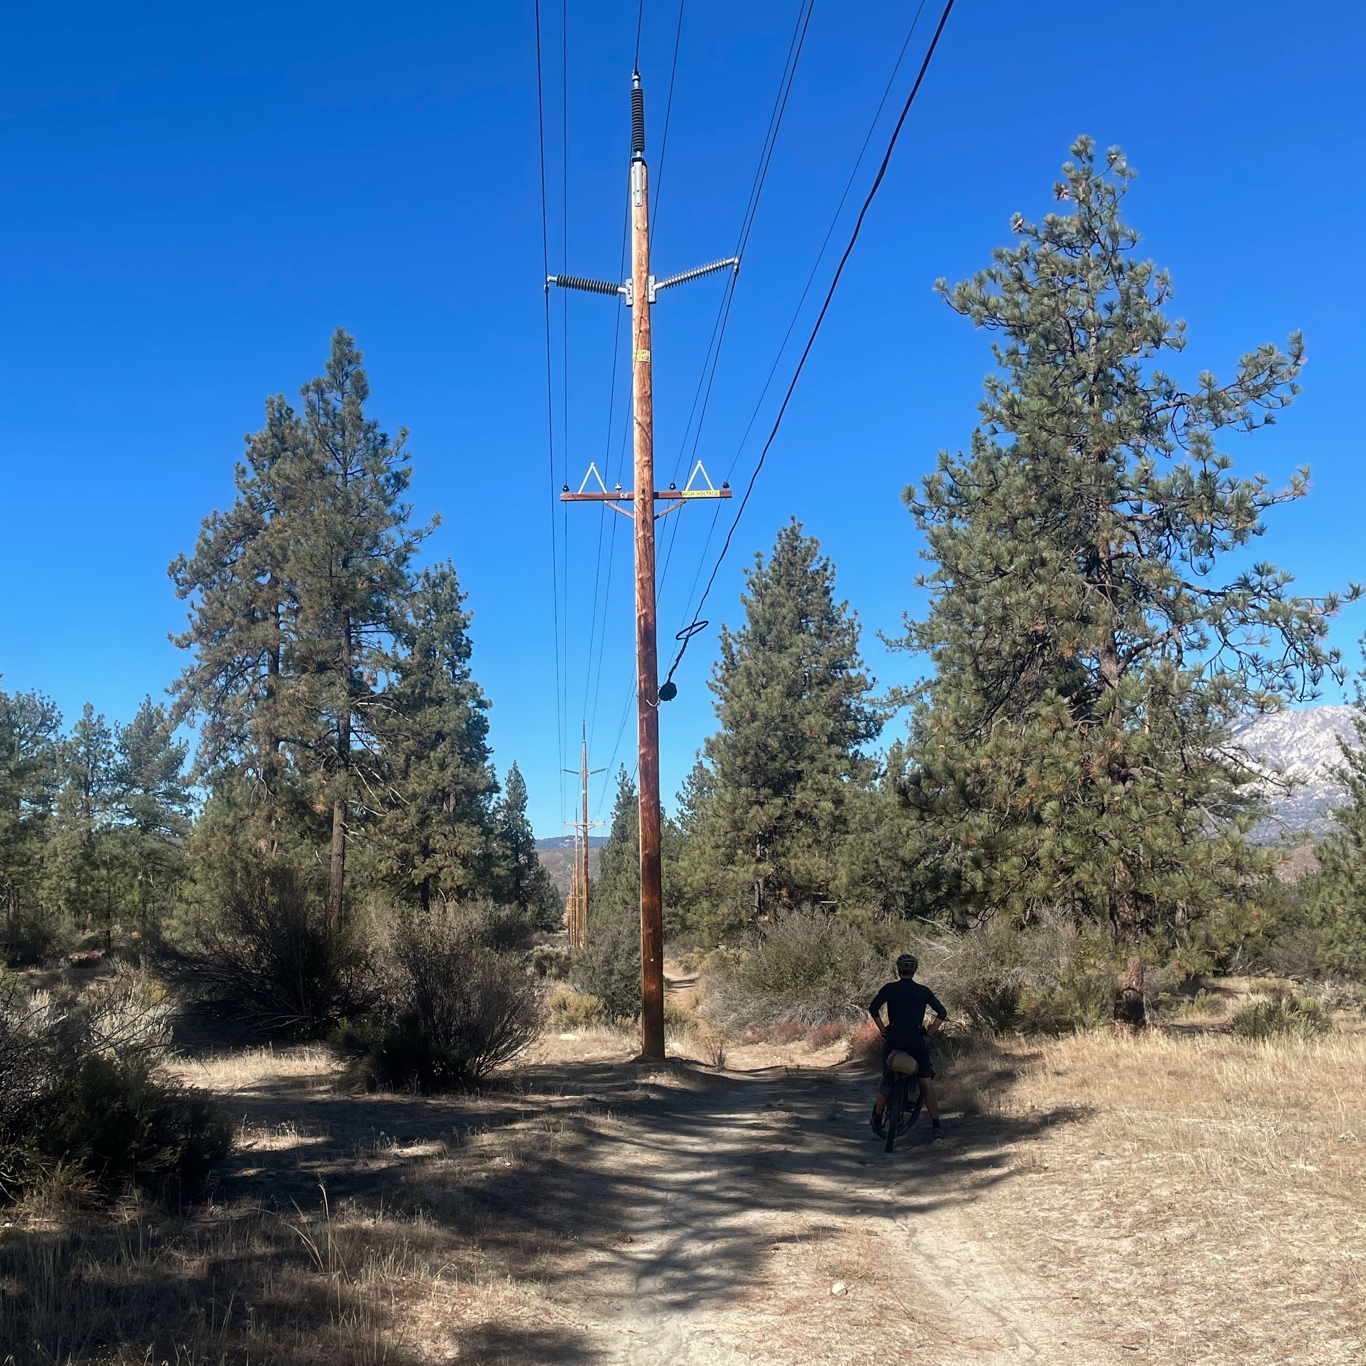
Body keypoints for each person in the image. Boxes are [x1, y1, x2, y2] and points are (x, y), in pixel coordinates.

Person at [869, 953, 947, 1140]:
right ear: (915, 970)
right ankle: (936, 1126)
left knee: (887, 1077)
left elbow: (873, 1009)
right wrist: (930, 1032)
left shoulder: (889, 989)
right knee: (926, 1082)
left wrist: (883, 1030)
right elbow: (942, 1012)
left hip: (894, 1039)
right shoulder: (923, 991)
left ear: (898, 969)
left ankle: (878, 1118)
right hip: (916, 1040)